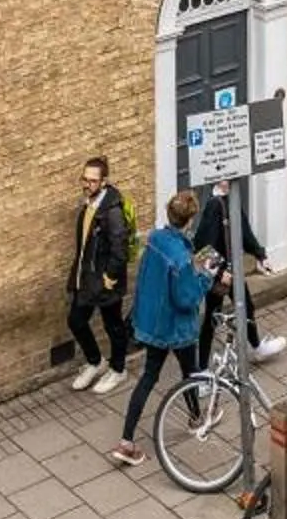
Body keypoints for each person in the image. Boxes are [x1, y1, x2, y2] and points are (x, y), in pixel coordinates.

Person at [109, 190, 210, 467]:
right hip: (176, 329)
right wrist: (205, 277)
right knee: (189, 372)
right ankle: (196, 419)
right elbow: (186, 297)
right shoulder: (180, 255)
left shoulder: (154, 240)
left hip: (152, 324)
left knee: (148, 377)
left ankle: (126, 441)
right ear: (189, 220)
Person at [194, 180, 286, 365]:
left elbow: (244, 231)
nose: (228, 181)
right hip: (222, 273)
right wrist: (220, 273)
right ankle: (203, 369)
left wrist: (260, 255)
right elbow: (202, 248)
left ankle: (257, 347)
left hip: (231, 269)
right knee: (212, 317)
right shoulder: (214, 205)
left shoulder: (232, 199)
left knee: (244, 307)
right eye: (224, 178)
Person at [64, 156, 134, 395]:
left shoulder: (112, 212)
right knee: (75, 320)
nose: (87, 184)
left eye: (93, 180)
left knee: (113, 326)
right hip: (87, 277)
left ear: (104, 182)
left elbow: (120, 249)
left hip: (104, 279)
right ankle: (95, 362)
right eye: (84, 179)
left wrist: (109, 278)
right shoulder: (90, 203)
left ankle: (118, 369)